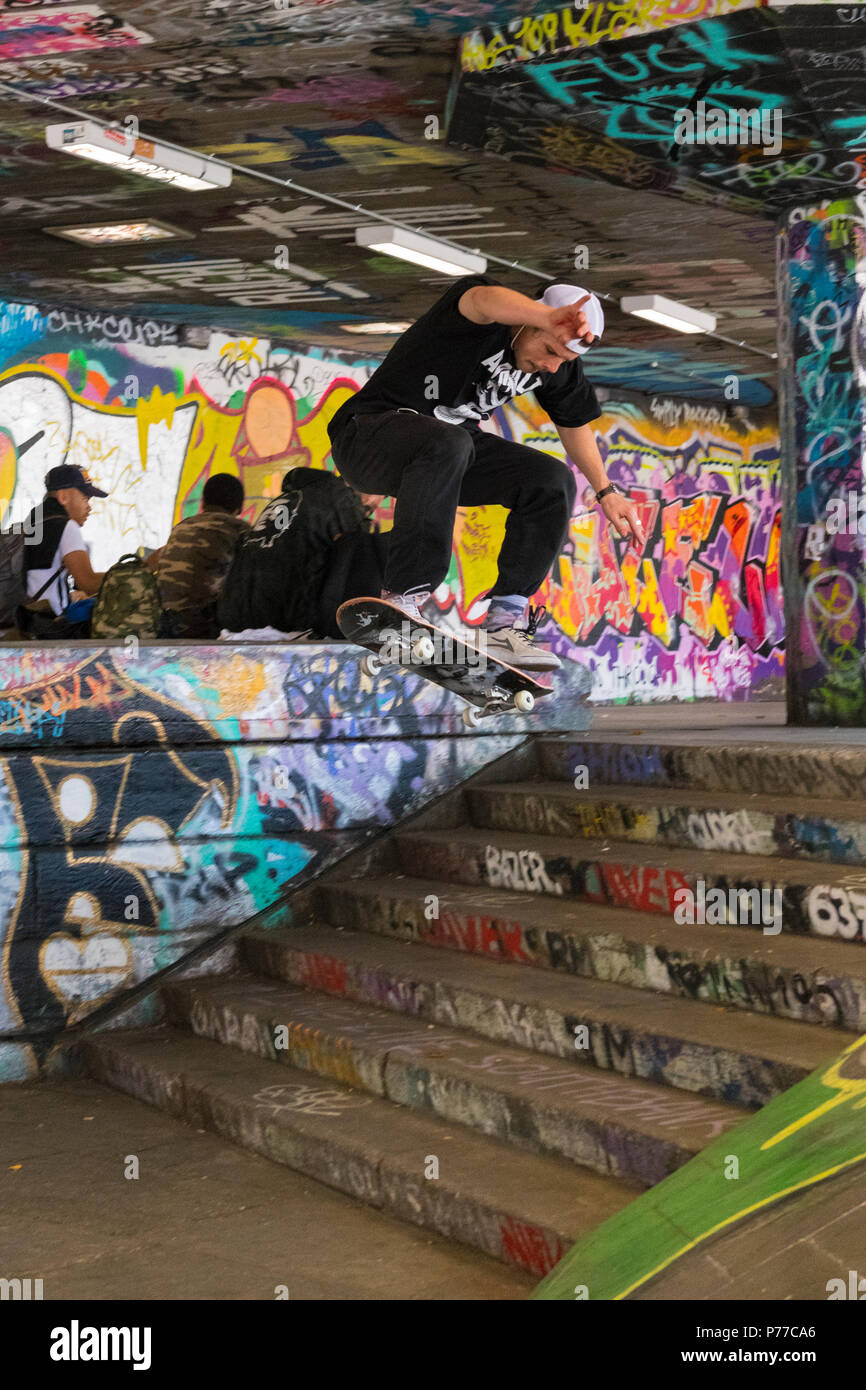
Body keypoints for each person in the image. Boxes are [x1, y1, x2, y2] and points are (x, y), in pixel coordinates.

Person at [327, 277, 644, 670]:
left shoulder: (556, 365)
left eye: (562, 360)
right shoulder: (478, 320)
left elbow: (575, 422)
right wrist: (549, 315)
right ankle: (403, 600)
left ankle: (503, 625)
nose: (550, 365)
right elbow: (482, 299)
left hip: (443, 456)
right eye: (547, 349)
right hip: (367, 436)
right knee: (450, 441)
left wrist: (606, 491)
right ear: (527, 321)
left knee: (550, 481)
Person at [217, 465, 377, 637]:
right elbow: (350, 579)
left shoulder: (291, 498)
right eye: (379, 493)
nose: (374, 502)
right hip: (285, 630)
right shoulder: (343, 504)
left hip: (236, 625)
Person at [155, 472, 250, 638]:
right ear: (240, 507)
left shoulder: (182, 527)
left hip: (164, 622)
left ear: (203, 502)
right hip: (204, 628)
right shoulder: (240, 530)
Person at [18, 464, 107, 637]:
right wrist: (136, 571)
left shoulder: (35, 522)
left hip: (25, 623)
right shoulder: (67, 527)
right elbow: (89, 583)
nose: (89, 507)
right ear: (64, 496)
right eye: (85, 498)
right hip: (49, 628)